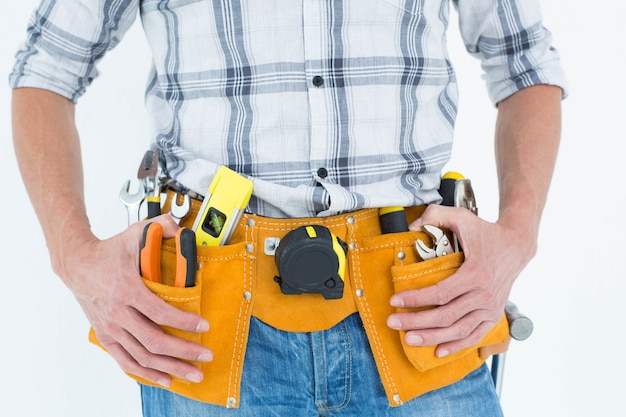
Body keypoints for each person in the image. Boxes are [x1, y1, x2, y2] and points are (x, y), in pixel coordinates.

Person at [10, 0, 567, 416]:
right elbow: (45, 69)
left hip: (423, 310)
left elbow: (523, 61)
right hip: (207, 322)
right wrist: (74, 259)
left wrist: (519, 236)